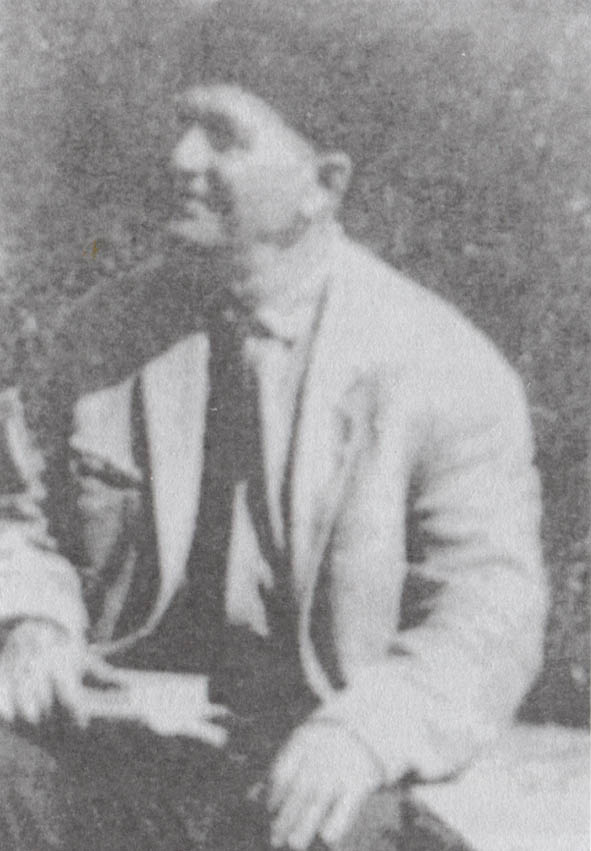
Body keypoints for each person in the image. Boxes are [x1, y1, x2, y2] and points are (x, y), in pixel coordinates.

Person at [0, 80, 546, 851]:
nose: (180, 157)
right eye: (181, 126)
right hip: (115, 743)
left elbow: (487, 611)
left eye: (223, 137)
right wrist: (32, 618)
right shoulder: (100, 335)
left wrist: (362, 735)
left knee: (345, 832)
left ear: (323, 184)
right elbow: (20, 516)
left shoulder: (438, 366)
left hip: (311, 755)